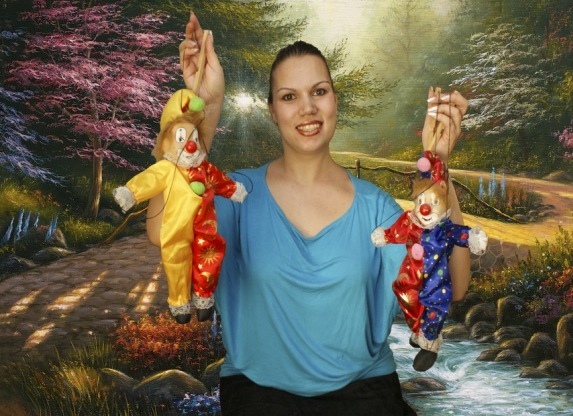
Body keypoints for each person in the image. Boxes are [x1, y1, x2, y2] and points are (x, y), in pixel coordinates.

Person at [153, 11, 471, 416]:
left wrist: (438, 165)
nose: (307, 108)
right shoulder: (237, 194)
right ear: (272, 109)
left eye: (319, 91)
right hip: (258, 396)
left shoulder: (375, 207)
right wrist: (204, 110)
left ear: (335, 100)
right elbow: (163, 228)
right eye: (289, 97)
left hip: (366, 395)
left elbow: (453, 284)